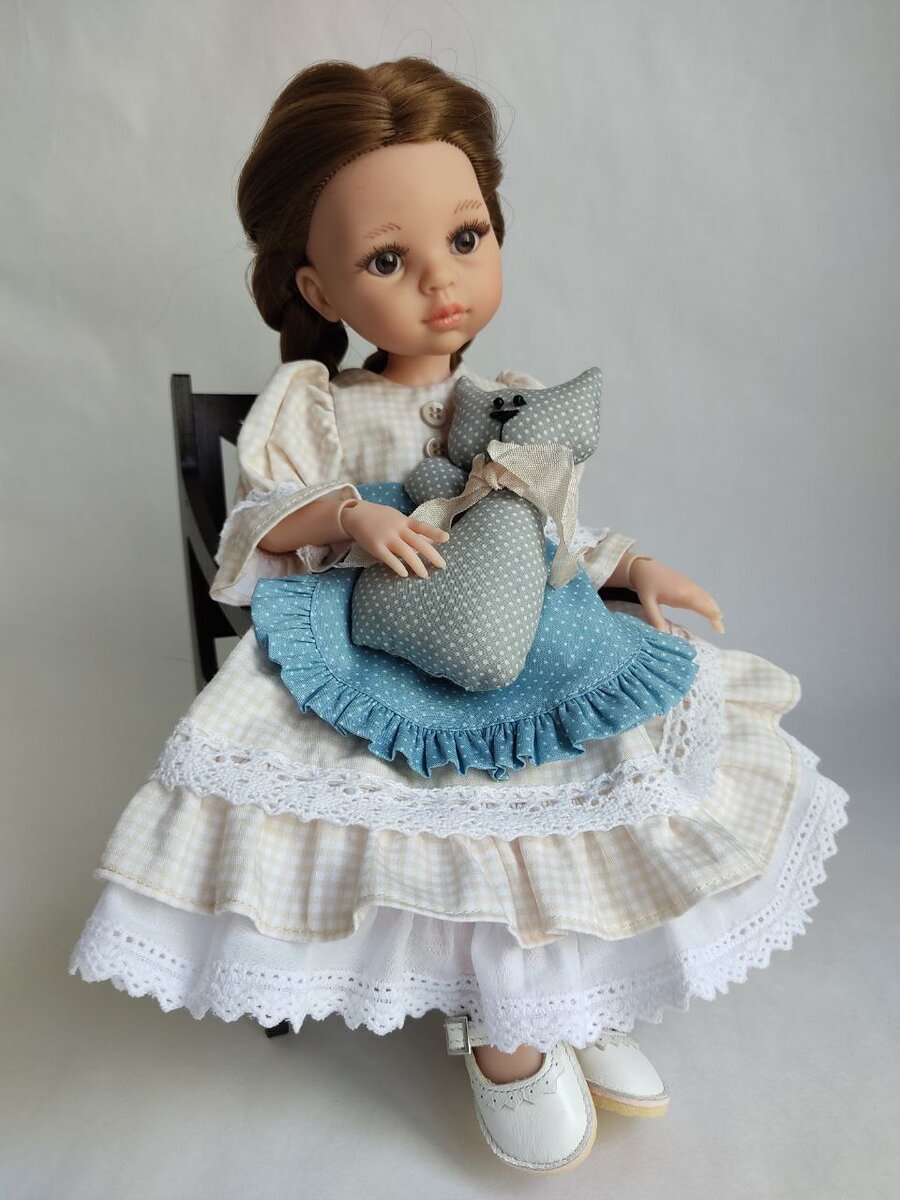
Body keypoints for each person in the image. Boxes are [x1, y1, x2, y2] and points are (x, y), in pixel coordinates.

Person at [69, 57, 849, 1175]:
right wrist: (352, 513)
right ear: (321, 291)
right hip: (372, 638)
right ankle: (504, 1032)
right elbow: (259, 523)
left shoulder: (511, 403)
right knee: (437, 805)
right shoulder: (319, 405)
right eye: (389, 260)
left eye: (467, 238)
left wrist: (634, 567)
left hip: (520, 633)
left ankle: (570, 991)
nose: (442, 281)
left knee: (588, 769)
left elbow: (549, 529)